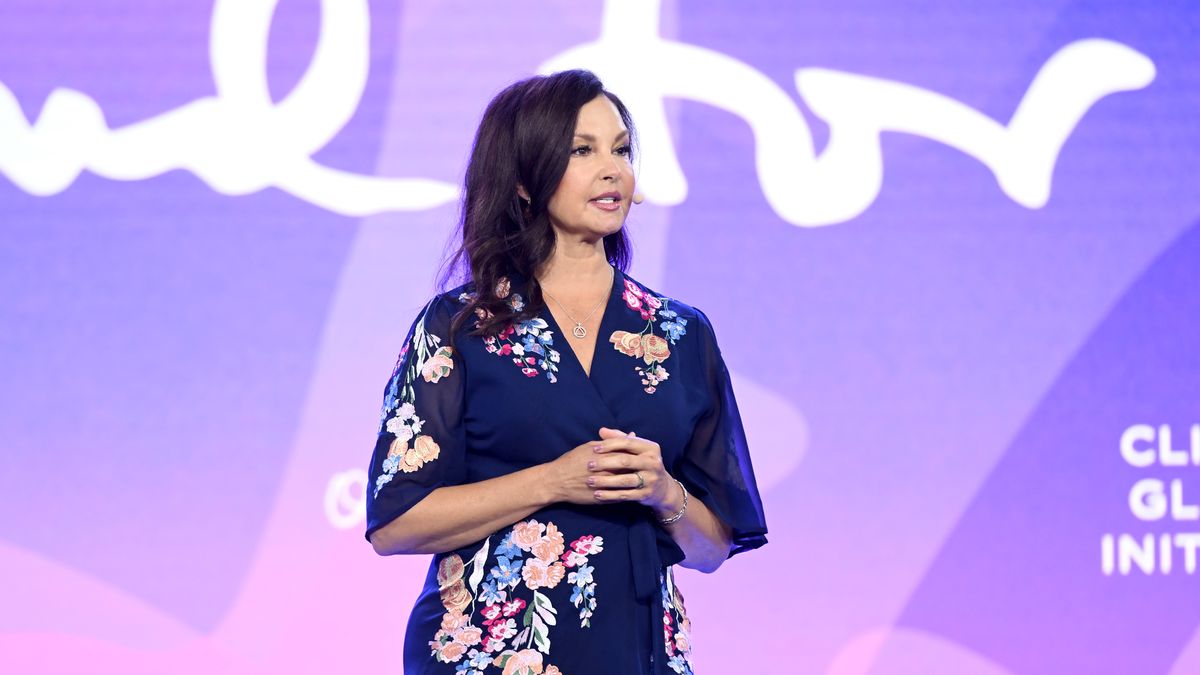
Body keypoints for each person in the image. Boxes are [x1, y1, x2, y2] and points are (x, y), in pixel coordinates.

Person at [365, 69, 767, 675]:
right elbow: (395, 523)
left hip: (637, 652)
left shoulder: (681, 335)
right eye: (583, 151)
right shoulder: (460, 328)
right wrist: (552, 481)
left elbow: (712, 550)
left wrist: (663, 491)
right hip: (486, 655)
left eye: (622, 150)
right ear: (526, 181)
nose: (613, 170)